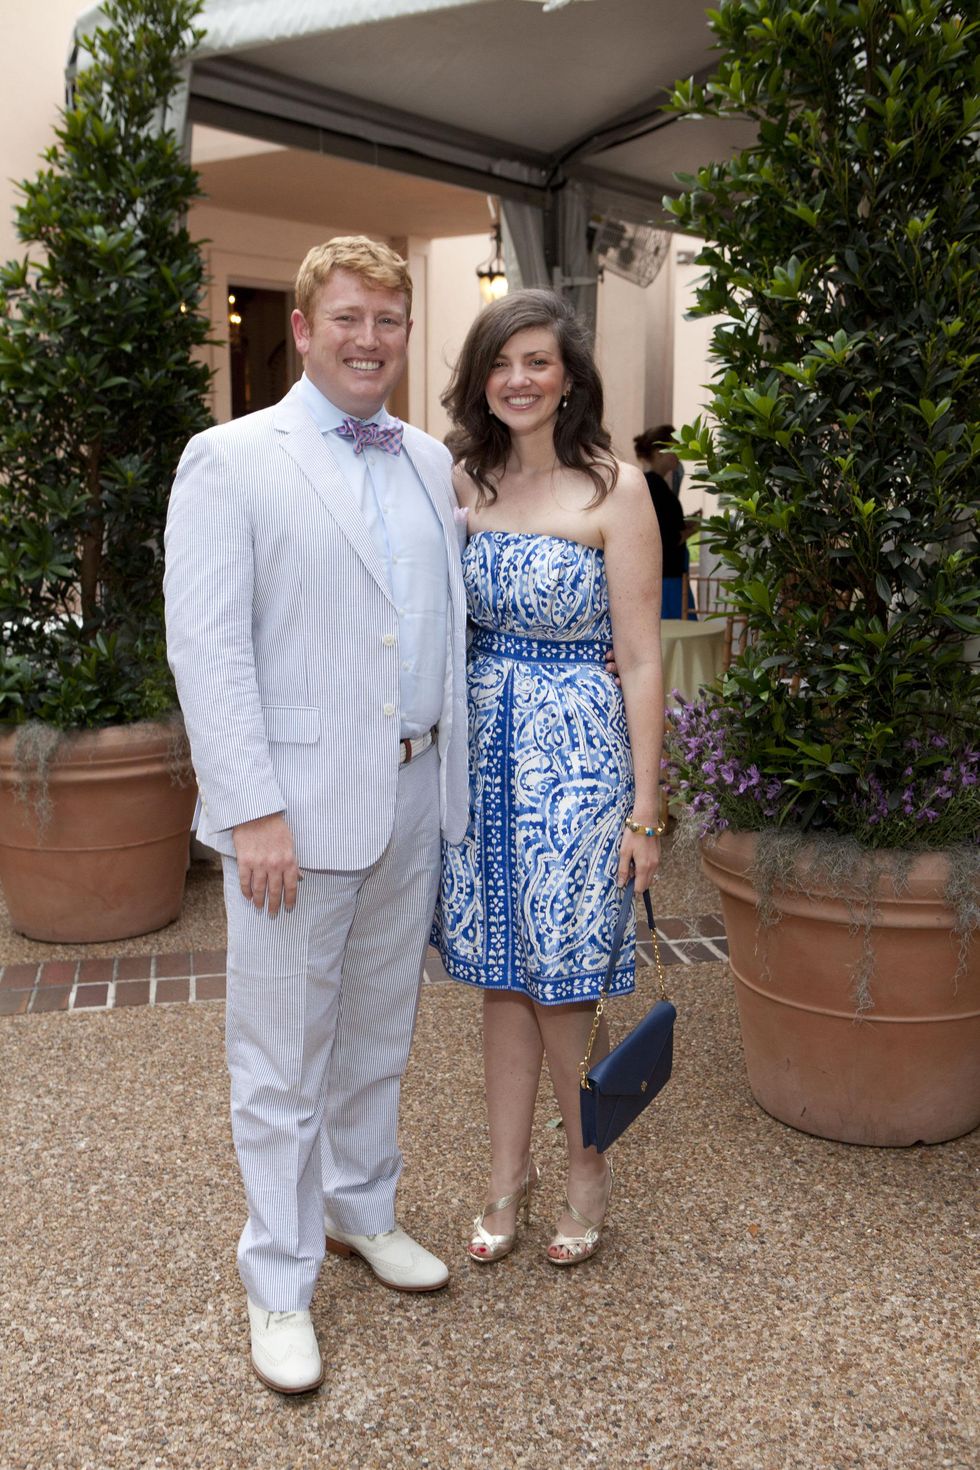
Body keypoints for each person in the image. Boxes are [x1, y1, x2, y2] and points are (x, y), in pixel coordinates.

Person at [163, 237, 469, 1395]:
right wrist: (251, 810)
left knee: (379, 1033)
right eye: (346, 318)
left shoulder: (428, 461)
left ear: (406, 333)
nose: (367, 340)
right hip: (292, 811)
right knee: (281, 1055)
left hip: (411, 792)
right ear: (300, 329)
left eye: (387, 320)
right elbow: (207, 648)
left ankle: (359, 1210)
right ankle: (278, 1280)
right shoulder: (230, 459)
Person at [432, 290, 664, 1268]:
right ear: (478, 380)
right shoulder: (460, 479)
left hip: (577, 770)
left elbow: (641, 657)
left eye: (536, 361)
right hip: (480, 762)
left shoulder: (615, 488)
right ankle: (505, 1177)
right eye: (500, 362)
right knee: (499, 979)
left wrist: (646, 810)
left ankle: (584, 1169)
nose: (517, 379)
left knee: (563, 983)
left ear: (569, 378)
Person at [633, 425, 695, 618]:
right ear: (658, 452)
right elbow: (668, 538)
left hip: (665, 577)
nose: (679, 454)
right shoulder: (655, 487)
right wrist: (694, 528)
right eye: (674, 448)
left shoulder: (653, 485)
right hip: (667, 580)